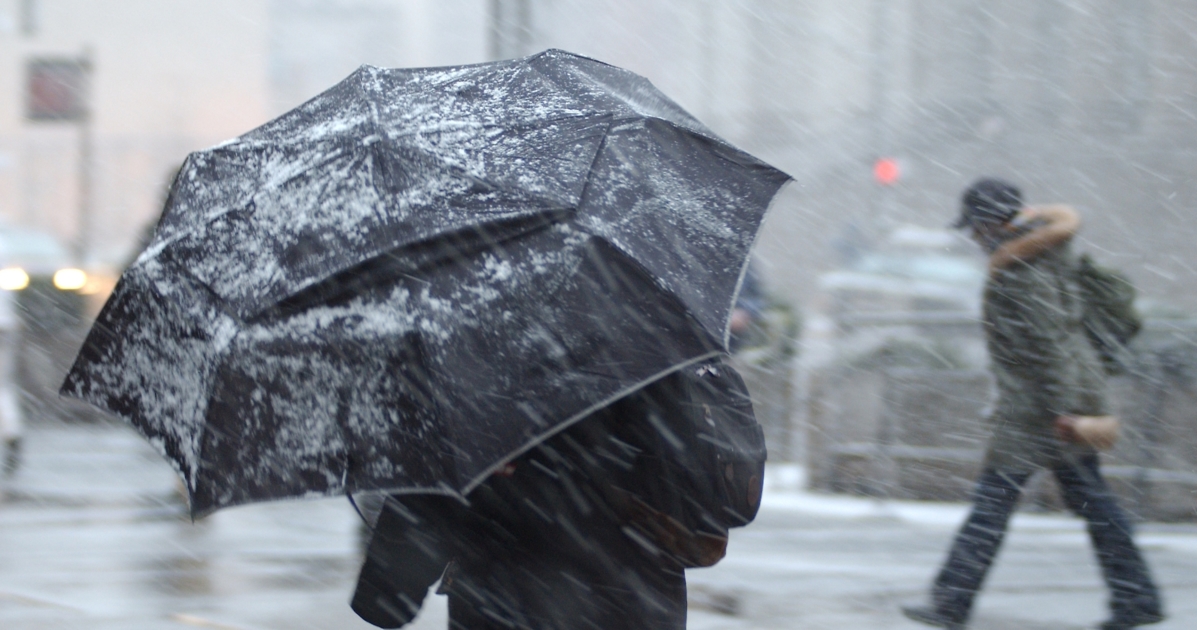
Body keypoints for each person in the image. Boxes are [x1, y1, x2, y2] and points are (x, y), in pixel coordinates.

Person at [902, 178, 1164, 630]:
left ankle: (951, 602)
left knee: (994, 505)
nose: (972, 236)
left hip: (1042, 409)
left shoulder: (1022, 272)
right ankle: (1136, 598)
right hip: (1056, 400)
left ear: (992, 224)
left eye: (975, 226)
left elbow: (1050, 346)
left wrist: (1066, 411)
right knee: (1091, 504)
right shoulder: (1041, 256)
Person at [351, 358, 765, 630]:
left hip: (510, 607)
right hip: (643, 608)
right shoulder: (657, 340)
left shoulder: (485, 361)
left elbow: (388, 597)